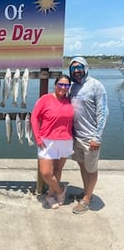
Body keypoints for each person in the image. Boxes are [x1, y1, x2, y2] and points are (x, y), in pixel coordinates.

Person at [69, 57, 108, 214]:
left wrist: (97, 137)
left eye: (79, 67)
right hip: (76, 136)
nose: (76, 71)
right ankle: (87, 192)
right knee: (82, 165)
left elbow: (103, 113)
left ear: (85, 67)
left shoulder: (96, 86)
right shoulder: (72, 87)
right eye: (73, 68)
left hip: (90, 137)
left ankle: (86, 199)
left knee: (91, 168)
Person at [31, 74, 74, 209]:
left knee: (57, 170)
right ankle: (61, 190)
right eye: (60, 84)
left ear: (69, 87)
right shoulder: (45, 99)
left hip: (66, 140)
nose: (63, 87)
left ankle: (50, 195)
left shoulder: (70, 100)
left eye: (66, 85)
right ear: (55, 85)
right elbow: (34, 117)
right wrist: (37, 137)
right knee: (46, 173)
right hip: (47, 141)